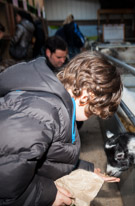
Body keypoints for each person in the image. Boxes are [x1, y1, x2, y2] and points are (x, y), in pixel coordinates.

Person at [0, 50, 122, 206]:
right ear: (87, 96)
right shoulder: (41, 115)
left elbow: (47, 155)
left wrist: (86, 169)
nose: (93, 116)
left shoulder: (58, 108)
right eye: (95, 112)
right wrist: (49, 195)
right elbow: (6, 184)